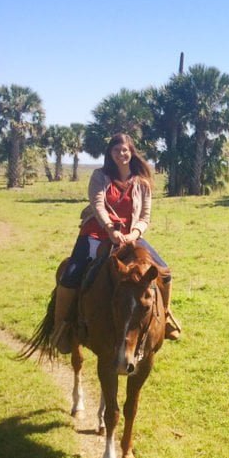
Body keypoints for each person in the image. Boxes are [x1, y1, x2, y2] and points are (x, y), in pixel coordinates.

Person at [52, 133, 181, 352]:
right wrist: (109, 228)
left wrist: (134, 234)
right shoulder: (99, 176)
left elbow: (145, 216)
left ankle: (166, 317)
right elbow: (98, 204)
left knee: (165, 272)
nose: (121, 154)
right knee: (71, 275)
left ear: (131, 153)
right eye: (116, 150)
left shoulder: (142, 183)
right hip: (96, 233)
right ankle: (60, 328)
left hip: (131, 237)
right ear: (109, 154)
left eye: (125, 150)